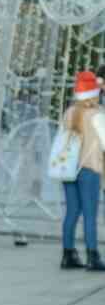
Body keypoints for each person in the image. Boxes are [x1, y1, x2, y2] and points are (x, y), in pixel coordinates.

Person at [60, 71, 105, 271]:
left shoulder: (69, 112)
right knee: (89, 214)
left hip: (68, 169)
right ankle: (92, 256)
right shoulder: (97, 115)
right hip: (89, 169)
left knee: (71, 212)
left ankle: (67, 254)